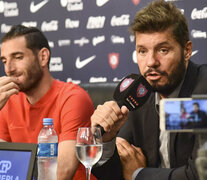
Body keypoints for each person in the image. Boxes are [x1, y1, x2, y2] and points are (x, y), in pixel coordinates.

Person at [91, 0, 207, 180]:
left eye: (162, 50)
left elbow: (199, 174)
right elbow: (113, 176)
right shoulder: (138, 95)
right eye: (142, 51)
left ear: (187, 50)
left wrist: (138, 175)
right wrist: (106, 141)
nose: (151, 62)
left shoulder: (203, 91)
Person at [0, 25, 96, 180]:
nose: (8, 69)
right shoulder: (7, 101)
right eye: (4, 60)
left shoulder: (73, 98)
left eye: (17, 57)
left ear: (43, 57)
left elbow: (62, 172)